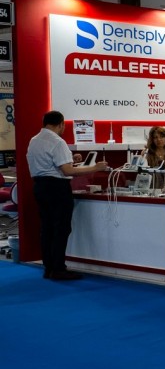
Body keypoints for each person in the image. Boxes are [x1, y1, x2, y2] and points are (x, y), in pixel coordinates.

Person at [26, 110, 109, 281]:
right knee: (61, 228)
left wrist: (71, 160)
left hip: (40, 187)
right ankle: (58, 269)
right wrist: (96, 167)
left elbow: (53, 164)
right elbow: (67, 171)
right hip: (57, 188)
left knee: (47, 228)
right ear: (61, 124)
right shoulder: (58, 142)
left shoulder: (34, 140)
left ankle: (49, 267)